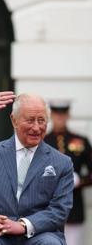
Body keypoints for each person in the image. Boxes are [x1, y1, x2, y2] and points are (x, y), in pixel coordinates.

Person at [0, 93, 74, 245]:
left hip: (39, 234)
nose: (36, 127)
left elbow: (59, 210)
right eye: (30, 120)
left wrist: (22, 225)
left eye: (41, 120)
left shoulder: (62, 163)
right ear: (14, 120)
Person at [44, 100, 92, 245]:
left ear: (68, 115)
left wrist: (79, 180)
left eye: (63, 114)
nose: (60, 117)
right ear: (51, 115)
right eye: (57, 114)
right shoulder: (42, 141)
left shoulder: (81, 141)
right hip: (46, 208)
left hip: (74, 208)